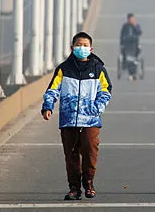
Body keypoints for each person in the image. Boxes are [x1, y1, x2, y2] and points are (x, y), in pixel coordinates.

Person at [42, 32, 112, 201]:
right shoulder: (63, 69)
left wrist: (96, 109)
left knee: (90, 151)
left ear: (91, 48)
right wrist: (47, 107)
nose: (82, 48)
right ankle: (74, 188)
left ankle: (88, 183)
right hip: (68, 120)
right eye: (78, 45)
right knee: (71, 155)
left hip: (90, 120)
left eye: (85, 45)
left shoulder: (98, 69)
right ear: (72, 48)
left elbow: (106, 91)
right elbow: (52, 89)